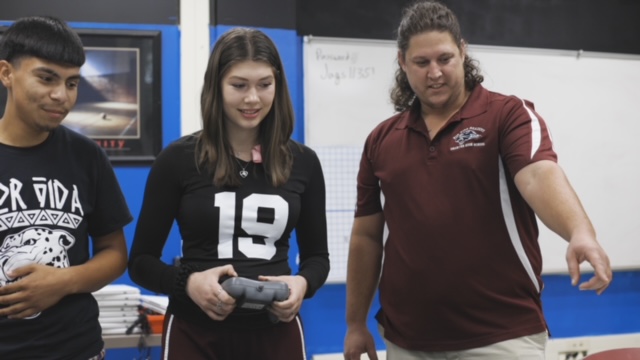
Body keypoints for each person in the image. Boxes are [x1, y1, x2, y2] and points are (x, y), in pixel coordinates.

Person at [343, 1, 612, 359]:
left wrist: (579, 231)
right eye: (422, 63)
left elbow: (538, 174)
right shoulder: (381, 140)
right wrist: (355, 323)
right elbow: (366, 235)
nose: (434, 73)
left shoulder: (507, 115)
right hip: (407, 341)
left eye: (445, 59)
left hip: (501, 337)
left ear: (463, 51)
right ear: (402, 63)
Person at [128, 27, 330, 360]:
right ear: (216, 87)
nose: (252, 98)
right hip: (195, 332)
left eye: (264, 85)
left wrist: (303, 284)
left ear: (277, 86)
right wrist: (188, 283)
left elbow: (317, 259)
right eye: (239, 85)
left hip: (276, 333)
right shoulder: (178, 160)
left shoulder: (304, 163)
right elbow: (141, 263)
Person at [0, 16, 132, 360]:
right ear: (6, 74)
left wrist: (63, 282)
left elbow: (115, 253)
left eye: (72, 83)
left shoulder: (86, 156)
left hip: (77, 349)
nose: (61, 95)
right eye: (46, 78)